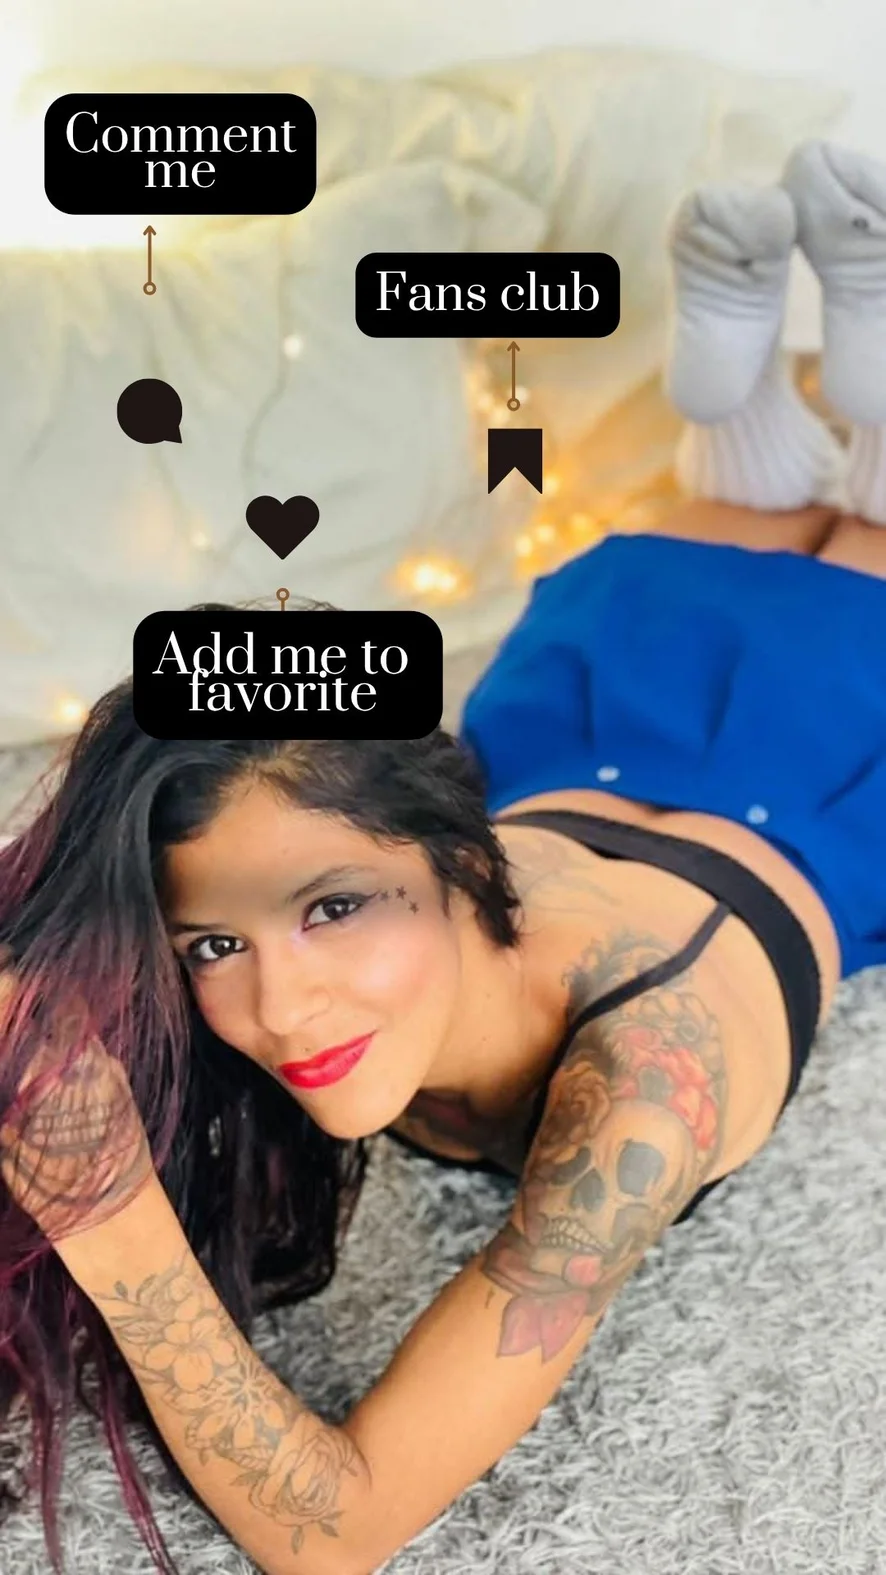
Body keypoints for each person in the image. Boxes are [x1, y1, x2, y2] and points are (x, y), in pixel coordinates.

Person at [1, 136, 885, 1575]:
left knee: (855, 558)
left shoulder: (643, 1081)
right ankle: (749, 405)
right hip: (594, 740)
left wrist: (109, 1215)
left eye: (332, 908)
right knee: (747, 525)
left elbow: (336, 1530)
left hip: (823, 774)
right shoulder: (321, 902)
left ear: (458, 852)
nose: (280, 1009)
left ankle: (842, 359)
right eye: (213, 943)